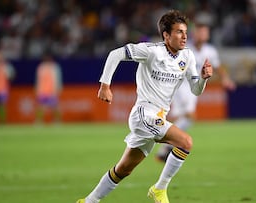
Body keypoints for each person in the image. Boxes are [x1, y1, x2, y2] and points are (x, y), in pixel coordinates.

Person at [76, 10, 213, 203]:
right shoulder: (151, 51)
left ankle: (89, 201)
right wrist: (105, 86)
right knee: (185, 142)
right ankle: (160, 189)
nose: (184, 36)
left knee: (124, 169)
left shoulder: (188, 57)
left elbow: (196, 90)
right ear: (166, 35)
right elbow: (115, 54)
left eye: (185, 32)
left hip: (159, 117)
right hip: (143, 114)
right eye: (179, 32)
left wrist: (204, 79)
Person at [155, 18, 236, 162]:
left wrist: (226, 79)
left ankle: (164, 147)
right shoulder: (185, 48)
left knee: (183, 118)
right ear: (194, 33)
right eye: (199, 32)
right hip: (180, 85)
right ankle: (165, 146)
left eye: (205, 32)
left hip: (194, 87)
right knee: (189, 116)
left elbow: (217, 67)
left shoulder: (210, 51)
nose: (202, 35)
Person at [35, 53, 63, 123]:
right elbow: (38, 79)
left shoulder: (55, 67)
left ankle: (57, 121)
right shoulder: (41, 67)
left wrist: (58, 88)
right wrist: (37, 88)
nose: (47, 60)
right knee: (40, 107)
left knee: (55, 107)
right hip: (42, 91)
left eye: (49, 58)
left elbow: (58, 79)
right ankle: (39, 121)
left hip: (52, 91)